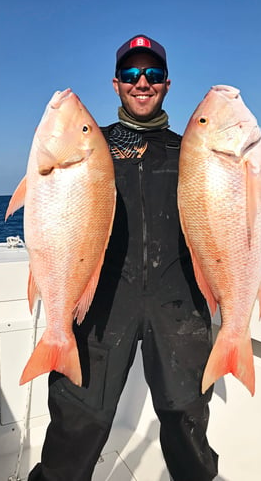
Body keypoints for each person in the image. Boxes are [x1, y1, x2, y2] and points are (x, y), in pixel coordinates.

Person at [28, 35, 218, 481]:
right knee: (78, 422)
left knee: (185, 420)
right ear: (116, 84)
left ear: (167, 84)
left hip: (178, 302)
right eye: (131, 75)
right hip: (103, 301)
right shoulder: (93, 146)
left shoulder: (190, 149)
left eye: (152, 74)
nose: (142, 83)